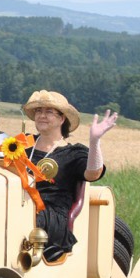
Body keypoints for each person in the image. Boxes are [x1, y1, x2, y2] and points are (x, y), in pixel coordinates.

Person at [22, 90, 118, 258]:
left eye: (49, 112)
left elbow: (93, 173)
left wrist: (95, 141)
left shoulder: (73, 153)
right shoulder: (21, 145)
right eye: (38, 111)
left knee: (19, 217)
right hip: (19, 206)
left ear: (62, 118)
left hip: (50, 217)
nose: (42, 115)